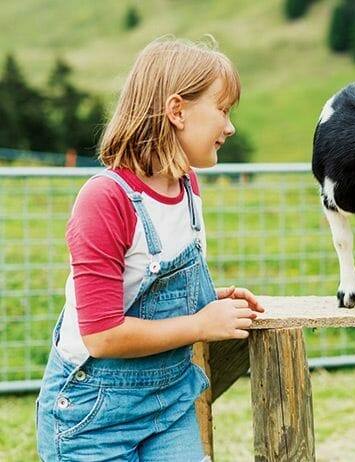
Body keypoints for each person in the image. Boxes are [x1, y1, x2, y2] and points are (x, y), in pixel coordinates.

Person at [36, 36, 262, 461]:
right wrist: (199, 324)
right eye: (223, 109)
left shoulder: (189, 188)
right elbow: (102, 335)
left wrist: (209, 304)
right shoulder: (105, 200)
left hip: (168, 405)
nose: (229, 127)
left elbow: (143, 291)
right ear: (177, 110)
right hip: (94, 418)